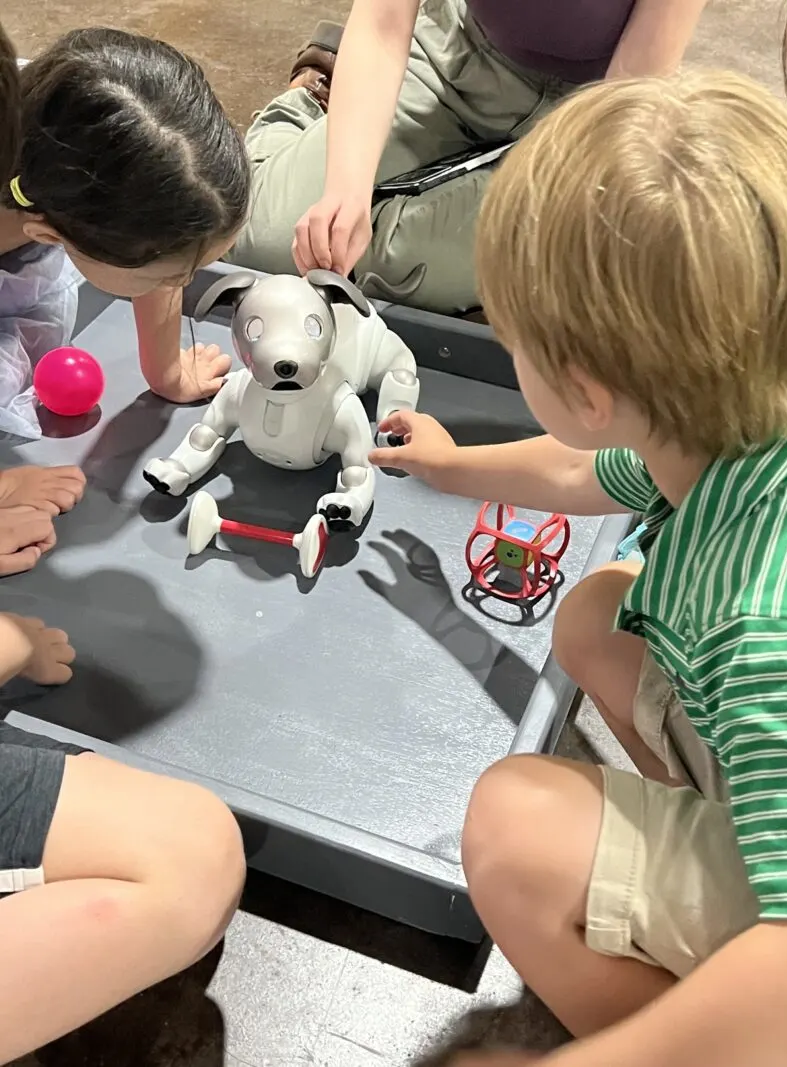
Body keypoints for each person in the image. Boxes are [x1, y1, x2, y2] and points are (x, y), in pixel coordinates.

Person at [371, 69, 787, 1067]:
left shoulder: (760, 627)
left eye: (507, 338)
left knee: (515, 830)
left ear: (585, 387)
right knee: (597, 610)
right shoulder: (728, 415)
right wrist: (446, 462)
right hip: (760, 752)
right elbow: (578, 466)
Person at [0, 26, 246, 1062]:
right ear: (53, 220)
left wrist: (167, 363)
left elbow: (153, 251)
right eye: (174, 267)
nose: (186, 278)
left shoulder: (55, 137)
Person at [230, 0, 709, 315]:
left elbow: (630, 87)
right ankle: (308, 107)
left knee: (575, 296)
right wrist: (344, 189)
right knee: (266, 243)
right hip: (455, 55)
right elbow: (381, 24)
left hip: (587, 108)